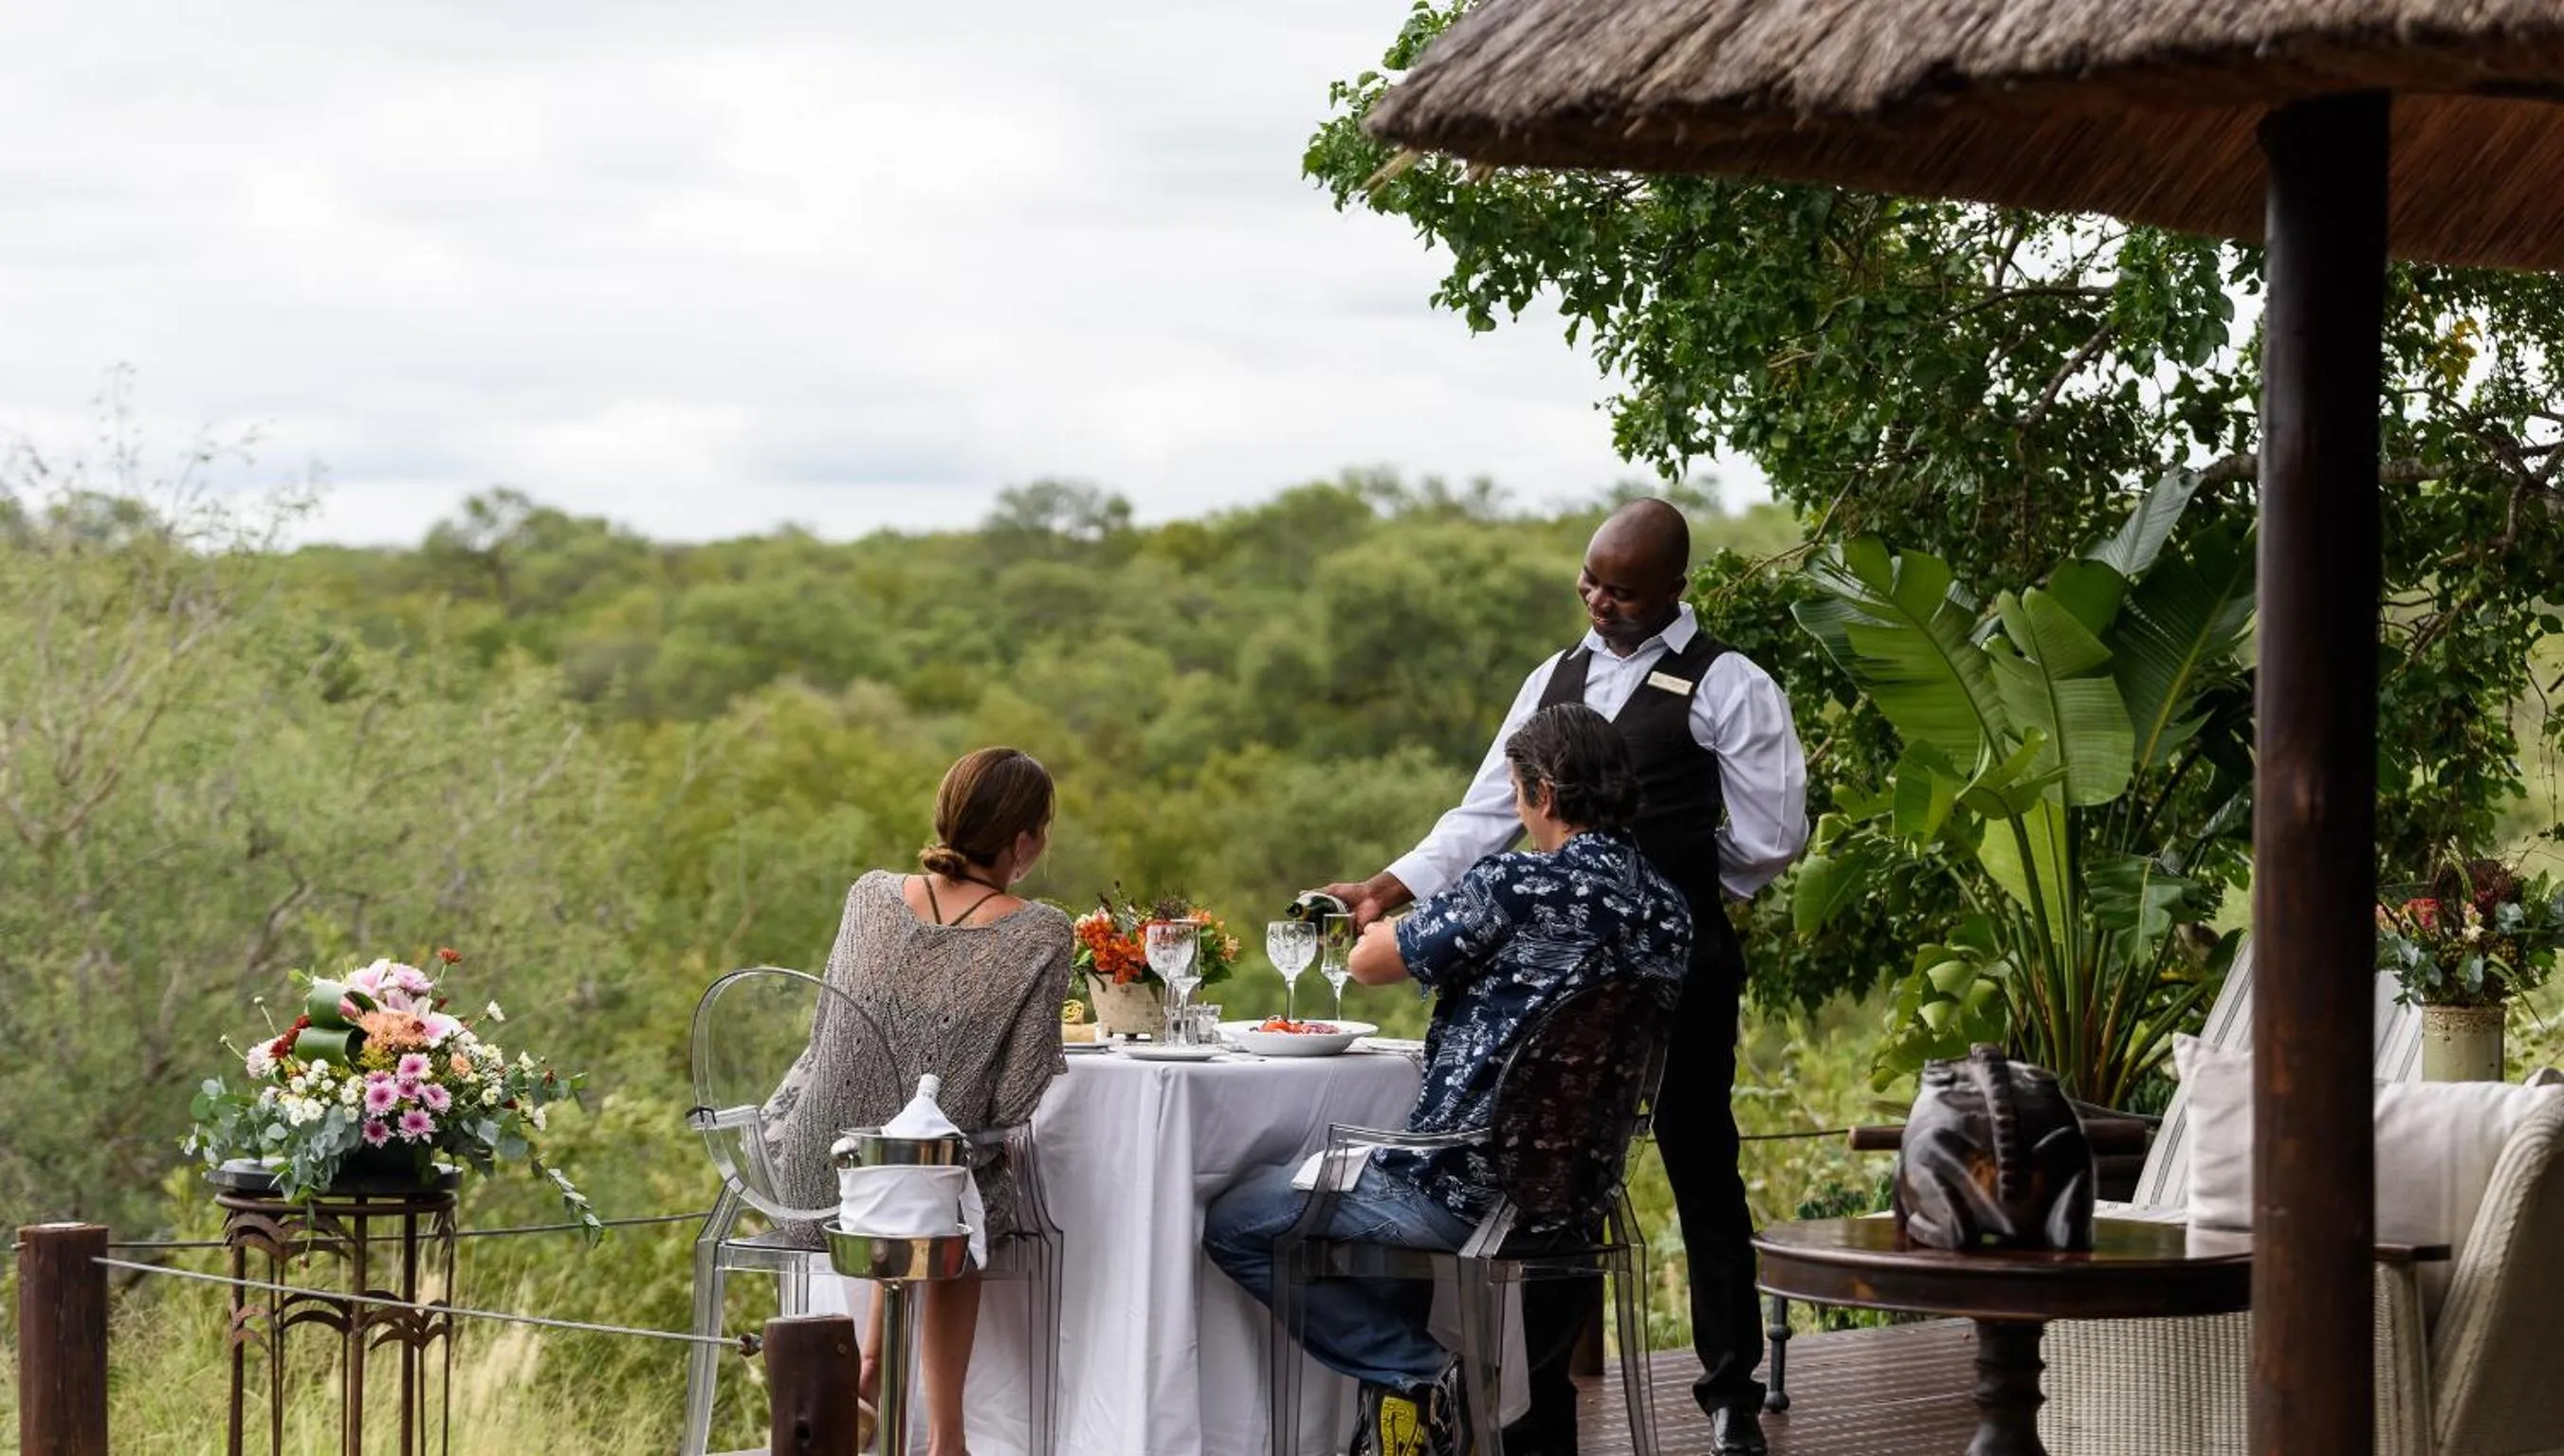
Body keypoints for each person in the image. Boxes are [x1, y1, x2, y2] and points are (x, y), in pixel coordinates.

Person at [1319, 499, 1807, 1456]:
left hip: (1682, 962)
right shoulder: (1555, 677)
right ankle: (1538, 1405)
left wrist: (1674, 894)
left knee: (1700, 1161)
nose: (1598, 602)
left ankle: (1729, 1391)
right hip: (1561, 982)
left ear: (1674, 588)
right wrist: (1385, 884)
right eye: (1588, 582)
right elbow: (1480, 818)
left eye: (1621, 591)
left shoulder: (1728, 683)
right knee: (1559, 1173)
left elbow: (1769, 837)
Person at [1206, 703, 1692, 1456]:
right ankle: (1399, 1436)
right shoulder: (1669, 910)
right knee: (1371, 1244)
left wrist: (1376, 922)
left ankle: (1413, 1372)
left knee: (1237, 1221)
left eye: (1517, 794)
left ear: (1545, 796)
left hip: (1463, 1186)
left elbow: (1369, 964)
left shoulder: (1514, 882)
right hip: (1575, 1201)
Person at [763, 746, 1072, 1456]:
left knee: (909, 1164)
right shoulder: (1040, 931)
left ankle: (869, 1374)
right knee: (959, 1172)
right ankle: (949, 1441)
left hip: (818, 1175)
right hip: (913, 1190)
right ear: (1023, 840)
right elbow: (1016, 1098)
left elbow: (830, 1039)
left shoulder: (869, 894)